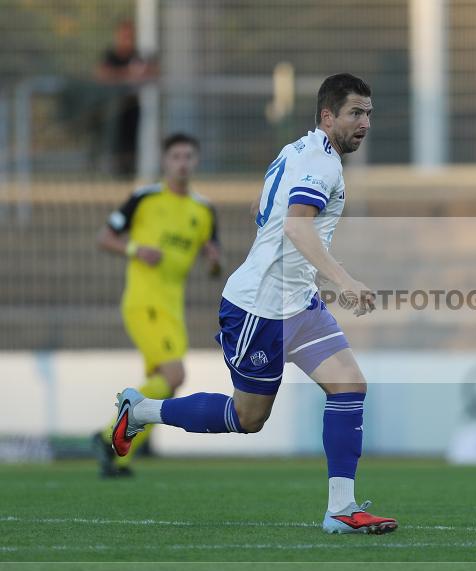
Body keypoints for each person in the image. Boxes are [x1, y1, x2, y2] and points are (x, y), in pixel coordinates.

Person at [107, 73, 398, 535]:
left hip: (298, 304)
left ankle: (341, 509)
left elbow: (259, 210)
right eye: (355, 113)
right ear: (328, 116)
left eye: (368, 114)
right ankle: (141, 410)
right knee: (249, 418)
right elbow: (296, 227)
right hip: (258, 310)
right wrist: (344, 280)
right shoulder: (322, 165)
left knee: (348, 385)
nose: (364, 123)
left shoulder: (295, 151)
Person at [93, 132, 221, 477]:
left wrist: (213, 262)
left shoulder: (204, 210)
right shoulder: (144, 197)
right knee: (174, 374)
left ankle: (118, 458)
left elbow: (213, 265)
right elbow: (104, 238)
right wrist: (135, 250)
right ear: (165, 162)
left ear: (196, 162)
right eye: (176, 156)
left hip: (172, 308)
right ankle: (107, 437)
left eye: (188, 156)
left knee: (165, 381)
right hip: (143, 301)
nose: (182, 162)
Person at [94, 19, 158, 177]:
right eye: (124, 35)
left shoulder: (138, 56)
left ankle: (129, 171)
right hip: (113, 108)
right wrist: (128, 74)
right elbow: (102, 74)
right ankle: (112, 170)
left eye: (130, 35)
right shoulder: (111, 55)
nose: (127, 39)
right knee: (114, 142)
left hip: (132, 105)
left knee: (131, 143)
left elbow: (151, 73)